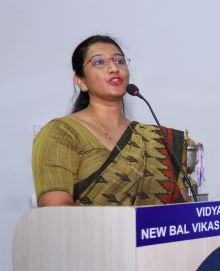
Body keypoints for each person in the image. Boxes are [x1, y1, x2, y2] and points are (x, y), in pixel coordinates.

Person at [32, 35, 190, 206]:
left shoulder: (158, 139)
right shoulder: (61, 133)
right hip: (89, 233)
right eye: (99, 62)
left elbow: (184, 212)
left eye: (120, 61)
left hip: (157, 233)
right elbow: (57, 216)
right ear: (81, 81)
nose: (114, 68)